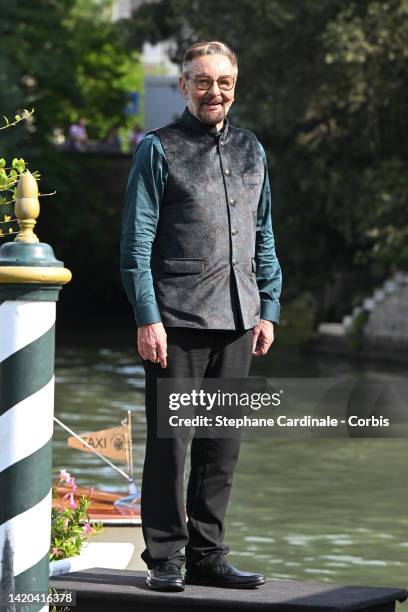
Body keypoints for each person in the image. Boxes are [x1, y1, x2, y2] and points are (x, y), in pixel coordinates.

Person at [120, 40, 282, 592]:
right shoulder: (157, 149)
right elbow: (135, 244)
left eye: (225, 82)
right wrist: (147, 318)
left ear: (235, 87)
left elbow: (264, 236)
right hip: (176, 321)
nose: (215, 92)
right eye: (203, 81)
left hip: (240, 318)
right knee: (172, 444)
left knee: (222, 446)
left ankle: (208, 556)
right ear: (184, 86)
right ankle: (165, 556)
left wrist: (270, 307)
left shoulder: (252, 150)